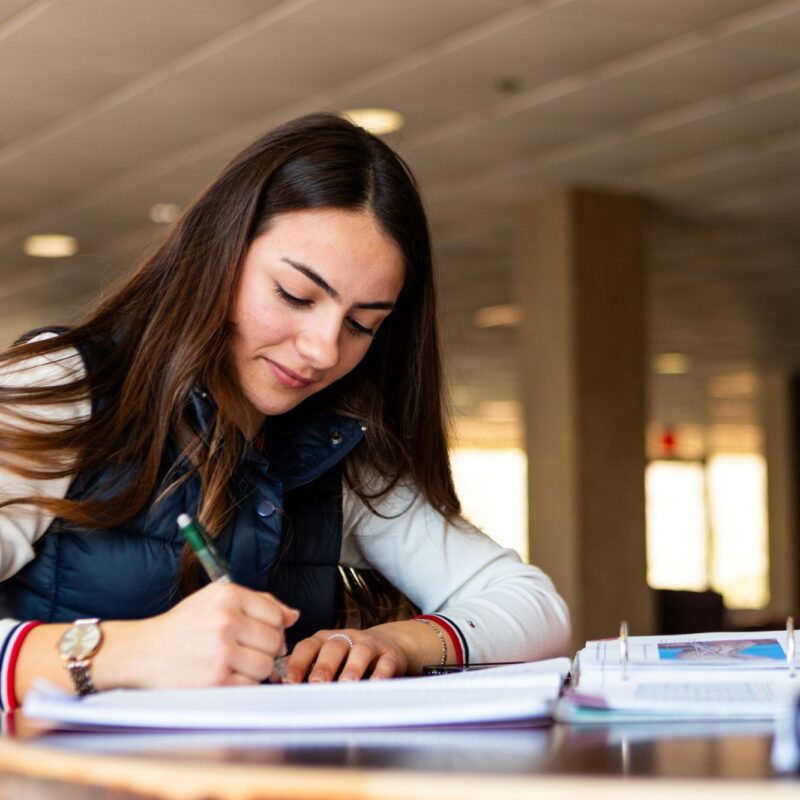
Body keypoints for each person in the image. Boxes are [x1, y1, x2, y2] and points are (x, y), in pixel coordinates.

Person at [0, 113, 569, 710]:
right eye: (296, 296)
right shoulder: (63, 389)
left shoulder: (337, 448)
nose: (324, 350)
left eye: (362, 324)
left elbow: (534, 606)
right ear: (219, 255)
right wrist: (131, 652)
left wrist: (397, 642)